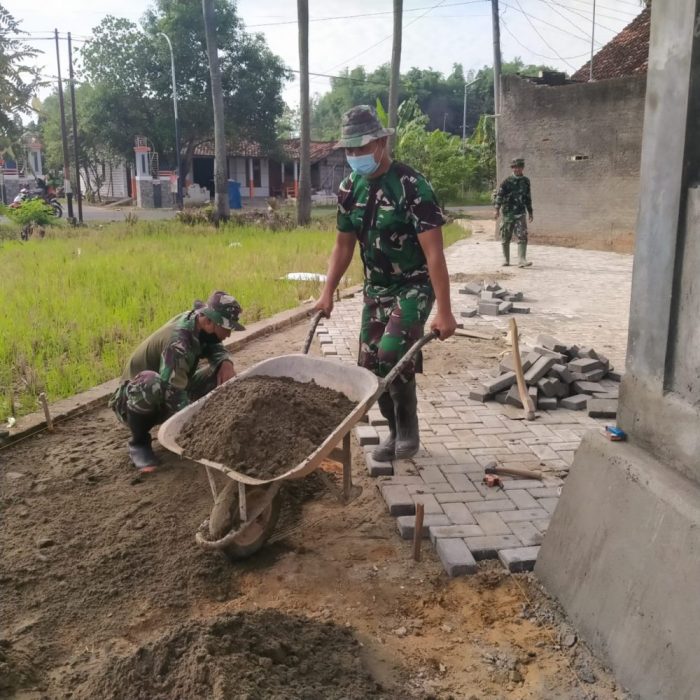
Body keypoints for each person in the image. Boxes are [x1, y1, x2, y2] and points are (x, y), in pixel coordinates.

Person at [314, 105, 457, 463]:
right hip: (376, 288)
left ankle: (408, 431)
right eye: (349, 149)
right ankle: (392, 430)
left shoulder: (412, 186)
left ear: (380, 142)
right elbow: (343, 246)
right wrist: (327, 292)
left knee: (392, 351)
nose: (354, 156)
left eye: (360, 148)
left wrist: (445, 312)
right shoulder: (349, 188)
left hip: (414, 285)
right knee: (370, 366)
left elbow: (434, 253)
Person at [109, 290, 245, 472]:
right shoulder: (178, 343)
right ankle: (139, 443)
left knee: (220, 374)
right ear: (208, 321)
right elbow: (173, 393)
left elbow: (214, 347)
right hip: (132, 400)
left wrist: (225, 361)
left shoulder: (199, 323)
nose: (228, 334)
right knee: (151, 382)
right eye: (227, 328)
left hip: (173, 384)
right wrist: (201, 431)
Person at [494, 158, 534, 267]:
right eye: (514, 167)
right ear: (512, 168)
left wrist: (530, 211)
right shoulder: (507, 182)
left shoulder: (526, 181)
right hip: (508, 214)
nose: (516, 169)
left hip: (520, 213)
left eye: (518, 167)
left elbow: (527, 197)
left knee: (522, 236)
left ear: (522, 168)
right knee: (505, 236)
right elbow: (499, 196)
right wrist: (497, 210)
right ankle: (506, 259)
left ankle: (522, 260)